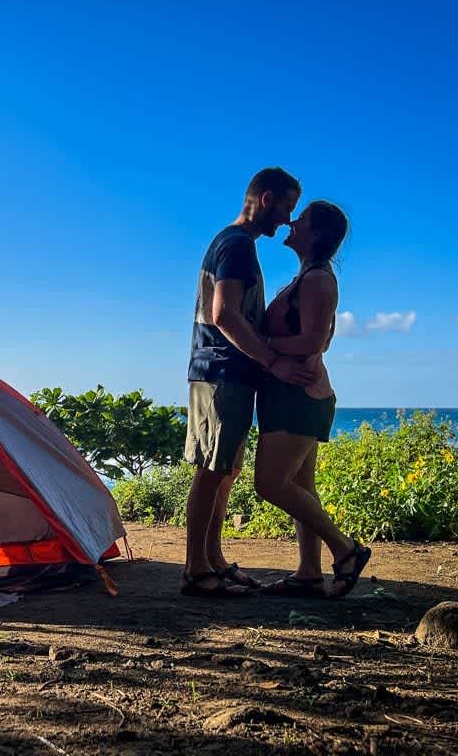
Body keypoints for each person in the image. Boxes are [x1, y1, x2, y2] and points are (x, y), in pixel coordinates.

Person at [182, 167, 317, 598]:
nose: (287, 219)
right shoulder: (237, 244)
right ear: (266, 199)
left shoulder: (238, 244)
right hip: (220, 372)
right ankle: (196, 570)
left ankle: (213, 559)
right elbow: (224, 314)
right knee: (212, 469)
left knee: (226, 469)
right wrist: (274, 361)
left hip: (231, 373)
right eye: (286, 207)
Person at [254, 200, 371, 598]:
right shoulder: (308, 278)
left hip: (300, 396)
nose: (291, 221)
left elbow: (314, 341)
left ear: (316, 233)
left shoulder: (318, 279)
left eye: (301, 219)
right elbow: (322, 339)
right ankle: (307, 573)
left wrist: (263, 343)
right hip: (292, 394)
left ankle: (346, 549)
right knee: (302, 486)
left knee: (271, 483)